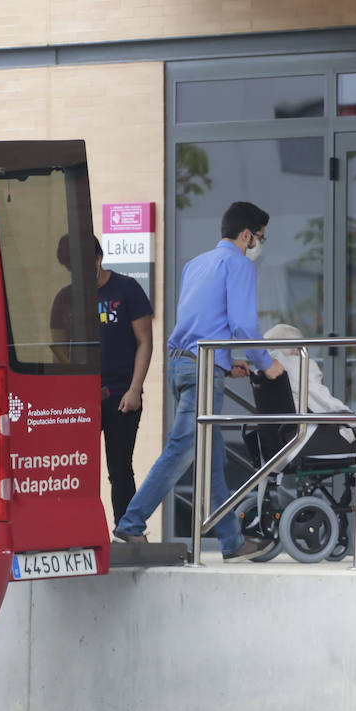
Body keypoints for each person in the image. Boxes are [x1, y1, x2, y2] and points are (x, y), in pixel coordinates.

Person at [112, 202, 282, 561]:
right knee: (183, 448)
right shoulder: (238, 264)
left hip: (181, 365)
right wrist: (265, 364)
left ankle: (232, 542)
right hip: (202, 371)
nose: (259, 244)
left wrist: (226, 361)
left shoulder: (196, 264)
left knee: (212, 456)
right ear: (247, 235)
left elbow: (198, 323)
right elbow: (242, 324)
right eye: (260, 237)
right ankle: (131, 522)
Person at [50, 236, 154, 524]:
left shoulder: (127, 289)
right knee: (77, 467)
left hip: (122, 394)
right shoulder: (65, 298)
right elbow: (57, 349)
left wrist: (134, 389)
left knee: (119, 468)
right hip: (83, 399)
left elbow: (145, 341)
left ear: (98, 259)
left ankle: (128, 530)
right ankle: (76, 529)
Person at [263, 323, 356, 535]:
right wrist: (350, 416)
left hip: (285, 441)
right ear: (294, 348)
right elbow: (324, 403)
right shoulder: (296, 363)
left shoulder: (265, 369)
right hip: (317, 434)